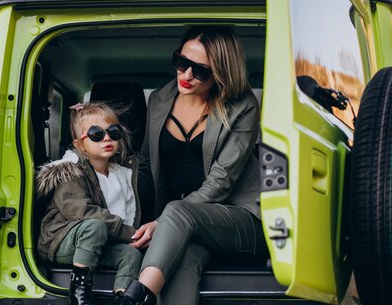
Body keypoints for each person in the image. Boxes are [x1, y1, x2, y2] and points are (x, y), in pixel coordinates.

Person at [113, 26, 267, 305]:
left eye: (200, 71)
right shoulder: (159, 100)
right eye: (181, 63)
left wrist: (162, 222)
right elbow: (146, 169)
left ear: (221, 72)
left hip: (242, 222)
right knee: (180, 261)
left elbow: (222, 181)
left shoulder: (242, 107)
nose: (186, 75)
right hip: (182, 227)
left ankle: (133, 299)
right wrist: (133, 224)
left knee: (177, 210)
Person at [37, 102, 143, 305]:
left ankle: (123, 298)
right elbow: (81, 212)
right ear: (79, 144)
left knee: (131, 255)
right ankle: (79, 290)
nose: (107, 138)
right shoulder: (70, 171)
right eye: (96, 134)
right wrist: (129, 232)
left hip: (101, 242)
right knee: (95, 225)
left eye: (113, 132)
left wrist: (133, 239)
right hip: (61, 242)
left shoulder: (121, 174)